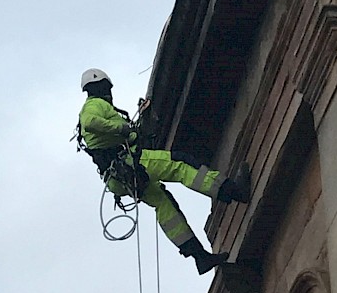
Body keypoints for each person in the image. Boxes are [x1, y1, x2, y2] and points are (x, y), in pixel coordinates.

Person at [78, 68, 251, 275]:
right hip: (130, 164)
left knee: (163, 203)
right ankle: (233, 190)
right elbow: (90, 123)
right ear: (104, 86)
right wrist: (122, 130)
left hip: (118, 179)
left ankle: (199, 256)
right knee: (179, 164)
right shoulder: (94, 105)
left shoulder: (102, 108)